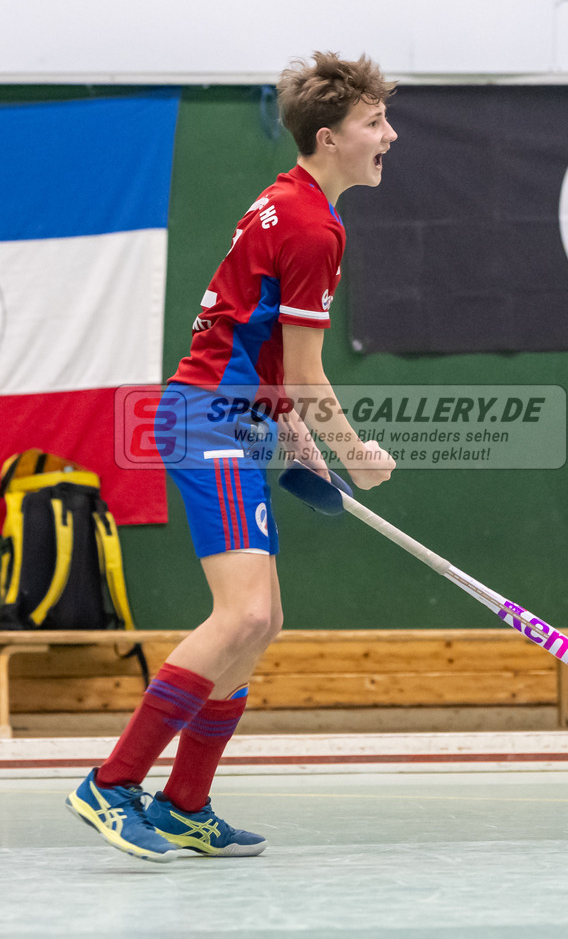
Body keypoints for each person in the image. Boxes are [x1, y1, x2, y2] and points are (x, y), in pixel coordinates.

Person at [66, 52, 398, 862]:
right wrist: (353, 455)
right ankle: (111, 785)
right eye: (374, 123)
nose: (389, 134)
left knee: (263, 622)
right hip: (209, 419)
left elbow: (262, 349)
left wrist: (292, 444)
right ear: (329, 137)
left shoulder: (288, 200)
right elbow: (307, 370)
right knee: (241, 615)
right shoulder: (314, 225)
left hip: (237, 419)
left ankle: (184, 805)